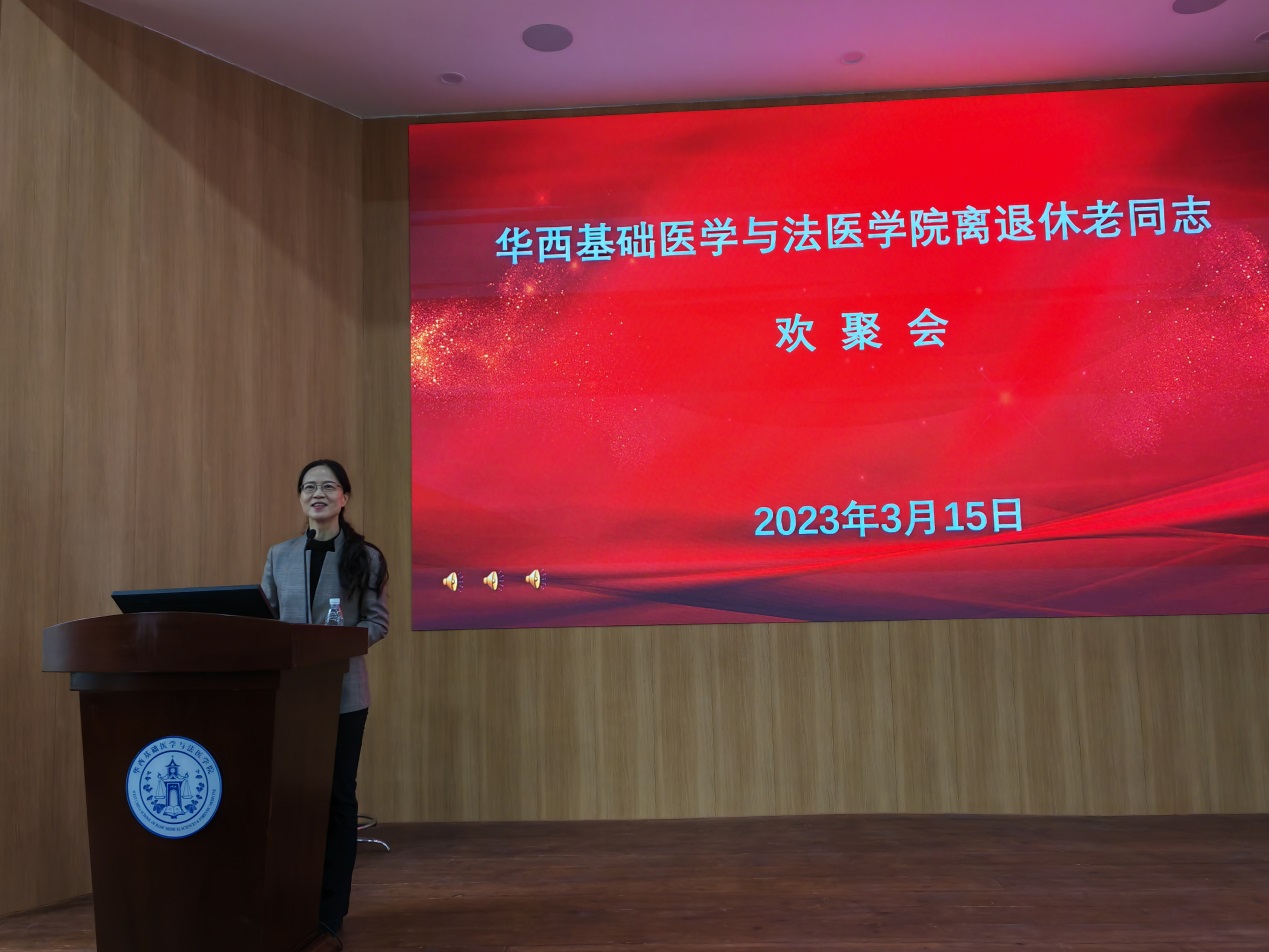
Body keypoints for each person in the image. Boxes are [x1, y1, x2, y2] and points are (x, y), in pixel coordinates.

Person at [261, 459, 388, 939]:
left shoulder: (364, 556)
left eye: (328, 486)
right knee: (292, 798)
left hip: (343, 695)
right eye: (309, 487)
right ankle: (292, 902)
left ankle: (331, 911)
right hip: (289, 696)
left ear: (344, 497)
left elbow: (377, 623)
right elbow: (265, 620)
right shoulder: (279, 555)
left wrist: (334, 646)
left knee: (337, 798)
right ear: (300, 498)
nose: (318, 493)